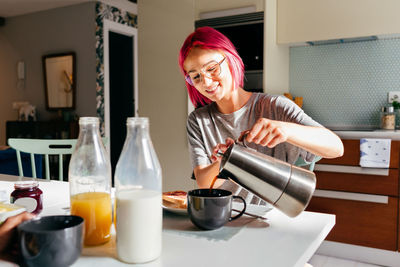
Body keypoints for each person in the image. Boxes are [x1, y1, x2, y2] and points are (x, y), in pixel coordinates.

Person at [179, 27, 344, 204]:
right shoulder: (198, 120)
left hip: (271, 217)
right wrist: (229, 158)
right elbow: (204, 183)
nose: (207, 82)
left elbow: (336, 147)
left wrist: (285, 130)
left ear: (231, 59)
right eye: (196, 77)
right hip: (225, 215)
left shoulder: (275, 106)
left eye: (212, 68)